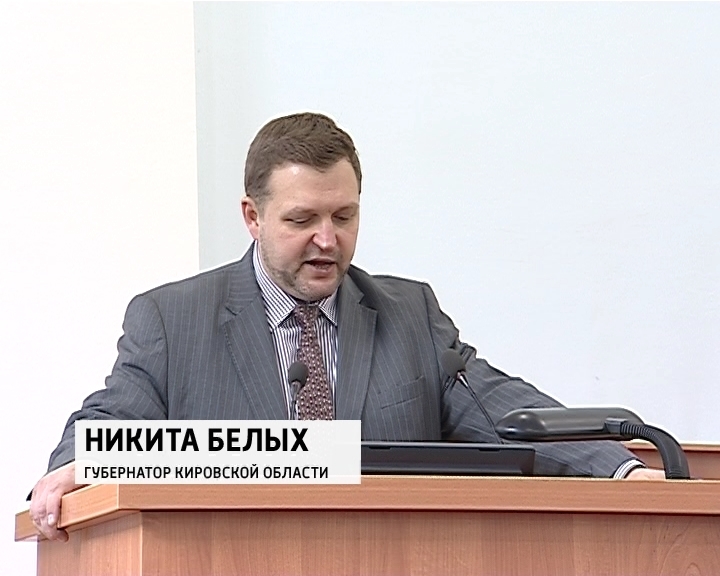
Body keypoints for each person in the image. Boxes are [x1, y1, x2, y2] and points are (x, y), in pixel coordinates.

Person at [29, 112, 664, 541]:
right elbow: (110, 421)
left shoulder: (409, 314)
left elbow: (499, 409)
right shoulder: (174, 320)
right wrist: (81, 462)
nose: (328, 240)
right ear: (252, 216)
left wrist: (622, 470)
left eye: (344, 216)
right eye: (302, 219)